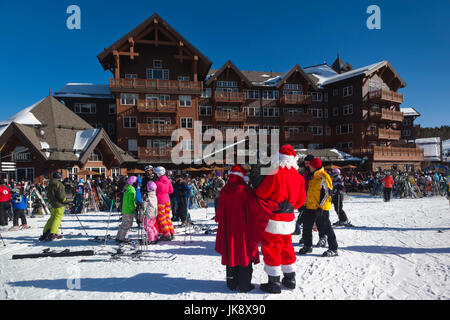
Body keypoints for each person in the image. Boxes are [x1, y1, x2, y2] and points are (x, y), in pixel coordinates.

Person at [215, 164, 278, 293]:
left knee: (230, 253)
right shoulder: (245, 191)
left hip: (228, 230)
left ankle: (231, 283)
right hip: (244, 231)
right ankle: (244, 285)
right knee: (244, 254)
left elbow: (218, 215)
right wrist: (274, 205)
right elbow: (258, 206)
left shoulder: (224, 191)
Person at [254, 145, 307, 293]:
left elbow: (262, 193)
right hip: (289, 219)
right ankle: (290, 278)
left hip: (273, 218)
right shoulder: (298, 176)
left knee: (271, 248)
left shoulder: (274, 173)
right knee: (286, 246)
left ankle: (274, 282)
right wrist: (291, 205)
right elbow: (301, 200)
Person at [299, 157, 339, 257]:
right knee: (306, 227)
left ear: (315, 166)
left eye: (311, 165)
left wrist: (321, 208)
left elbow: (327, 194)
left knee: (326, 228)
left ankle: (333, 249)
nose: (309, 167)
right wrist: (304, 204)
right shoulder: (312, 176)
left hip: (321, 209)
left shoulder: (324, 177)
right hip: (310, 207)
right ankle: (307, 246)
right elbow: (310, 193)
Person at [39, 172, 67, 241]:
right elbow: (61, 195)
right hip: (59, 204)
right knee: (57, 218)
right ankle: (53, 233)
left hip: (53, 204)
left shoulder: (50, 184)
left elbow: (48, 195)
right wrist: (65, 200)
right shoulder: (59, 184)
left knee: (52, 218)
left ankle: (46, 231)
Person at [154, 166, 175, 241]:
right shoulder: (168, 181)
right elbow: (171, 191)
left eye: (156, 173)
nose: (156, 175)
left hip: (160, 201)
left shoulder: (156, 183)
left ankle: (166, 234)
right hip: (167, 200)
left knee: (161, 218)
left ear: (159, 173)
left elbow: (153, 192)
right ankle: (171, 232)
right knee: (167, 217)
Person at [116, 176, 137, 243]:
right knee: (127, 225)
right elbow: (131, 201)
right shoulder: (131, 190)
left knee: (123, 224)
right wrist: (134, 208)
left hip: (125, 209)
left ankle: (119, 236)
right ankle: (122, 238)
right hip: (129, 210)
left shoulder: (126, 188)